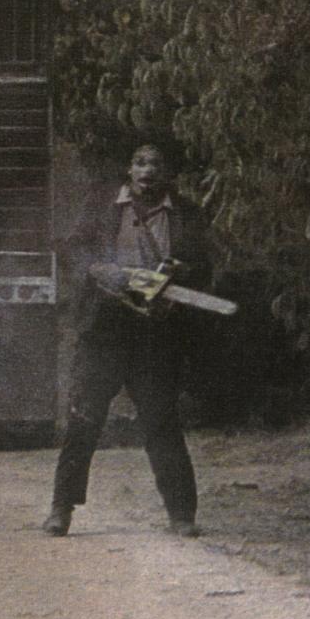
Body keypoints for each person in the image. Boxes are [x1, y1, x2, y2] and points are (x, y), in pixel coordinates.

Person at [41, 142, 215, 539]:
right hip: (104, 329)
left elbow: (204, 268)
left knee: (162, 421)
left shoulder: (185, 214)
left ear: (168, 172)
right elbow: (72, 250)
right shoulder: (104, 206)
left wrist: (179, 275)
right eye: (140, 163)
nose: (147, 171)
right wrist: (98, 269)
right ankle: (61, 508)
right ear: (129, 169)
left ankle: (181, 514)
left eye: (156, 164)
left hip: (156, 331)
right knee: (84, 418)